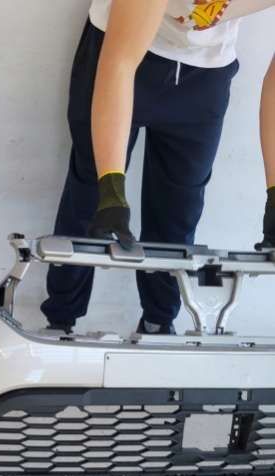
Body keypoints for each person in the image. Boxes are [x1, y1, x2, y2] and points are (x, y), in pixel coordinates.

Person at [41, 0, 275, 335]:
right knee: (91, 195)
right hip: (121, 46)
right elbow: (120, 63)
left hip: (205, 73)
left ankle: (158, 322)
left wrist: (274, 196)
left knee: (178, 211)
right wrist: (112, 189)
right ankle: (60, 320)